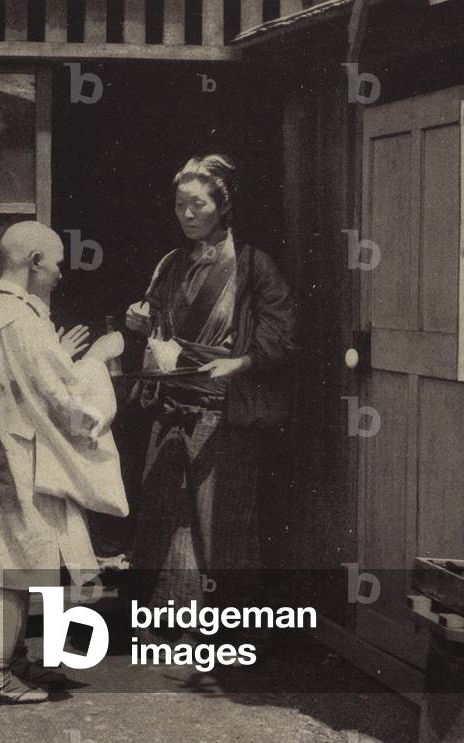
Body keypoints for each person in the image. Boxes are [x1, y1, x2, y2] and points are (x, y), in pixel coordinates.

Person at [0, 220, 128, 705]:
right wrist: (99, 359)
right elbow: (66, 400)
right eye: (57, 264)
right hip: (24, 461)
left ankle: (16, 662)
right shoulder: (19, 319)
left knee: (18, 561)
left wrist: (55, 353)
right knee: (18, 572)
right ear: (35, 262)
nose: (61, 274)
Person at [125, 154, 298, 626]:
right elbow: (154, 317)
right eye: (180, 205)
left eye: (197, 204)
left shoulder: (253, 265)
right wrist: (139, 319)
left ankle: (231, 634)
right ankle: (168, 627)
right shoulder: (170, 263)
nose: (187, 215)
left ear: (223, 206)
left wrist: (240, 361)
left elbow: (282, 335)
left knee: (220, 525)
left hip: (222, 411)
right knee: (162, 518)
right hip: (171, 407)